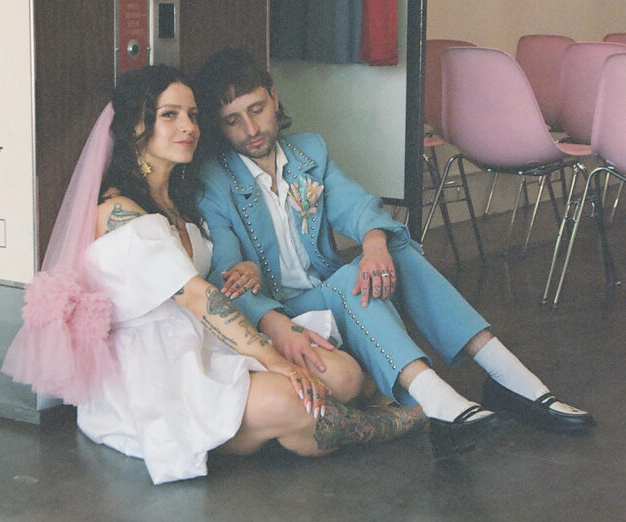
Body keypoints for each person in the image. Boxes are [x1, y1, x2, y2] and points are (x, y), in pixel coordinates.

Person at [3, 66, 425, 485]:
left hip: (203, 340)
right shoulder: (118, 212)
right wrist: (276, 360)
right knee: (294, 398)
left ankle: (292, 425)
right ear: (135, 126)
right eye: (169, 115)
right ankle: (392, 422)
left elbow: (207, 278)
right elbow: (196, 297)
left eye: (191, 114)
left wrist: (244, 271)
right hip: (158, 369)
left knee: (343, 376)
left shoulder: (179, 198)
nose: (188, 126)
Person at [195, 48, 595, 459]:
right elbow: (226, 275)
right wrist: (261, 300)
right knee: (353, 277)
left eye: (257, 109)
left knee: (391, 247)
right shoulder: (215, 179)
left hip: (327, 293)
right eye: (233, 120)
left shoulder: (308, 151)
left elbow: (356, 204)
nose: (251, 128)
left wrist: (373, 244)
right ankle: (437, 399)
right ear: (219, 128)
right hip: (280, 312)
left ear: (275, 99)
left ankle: (510, 378)